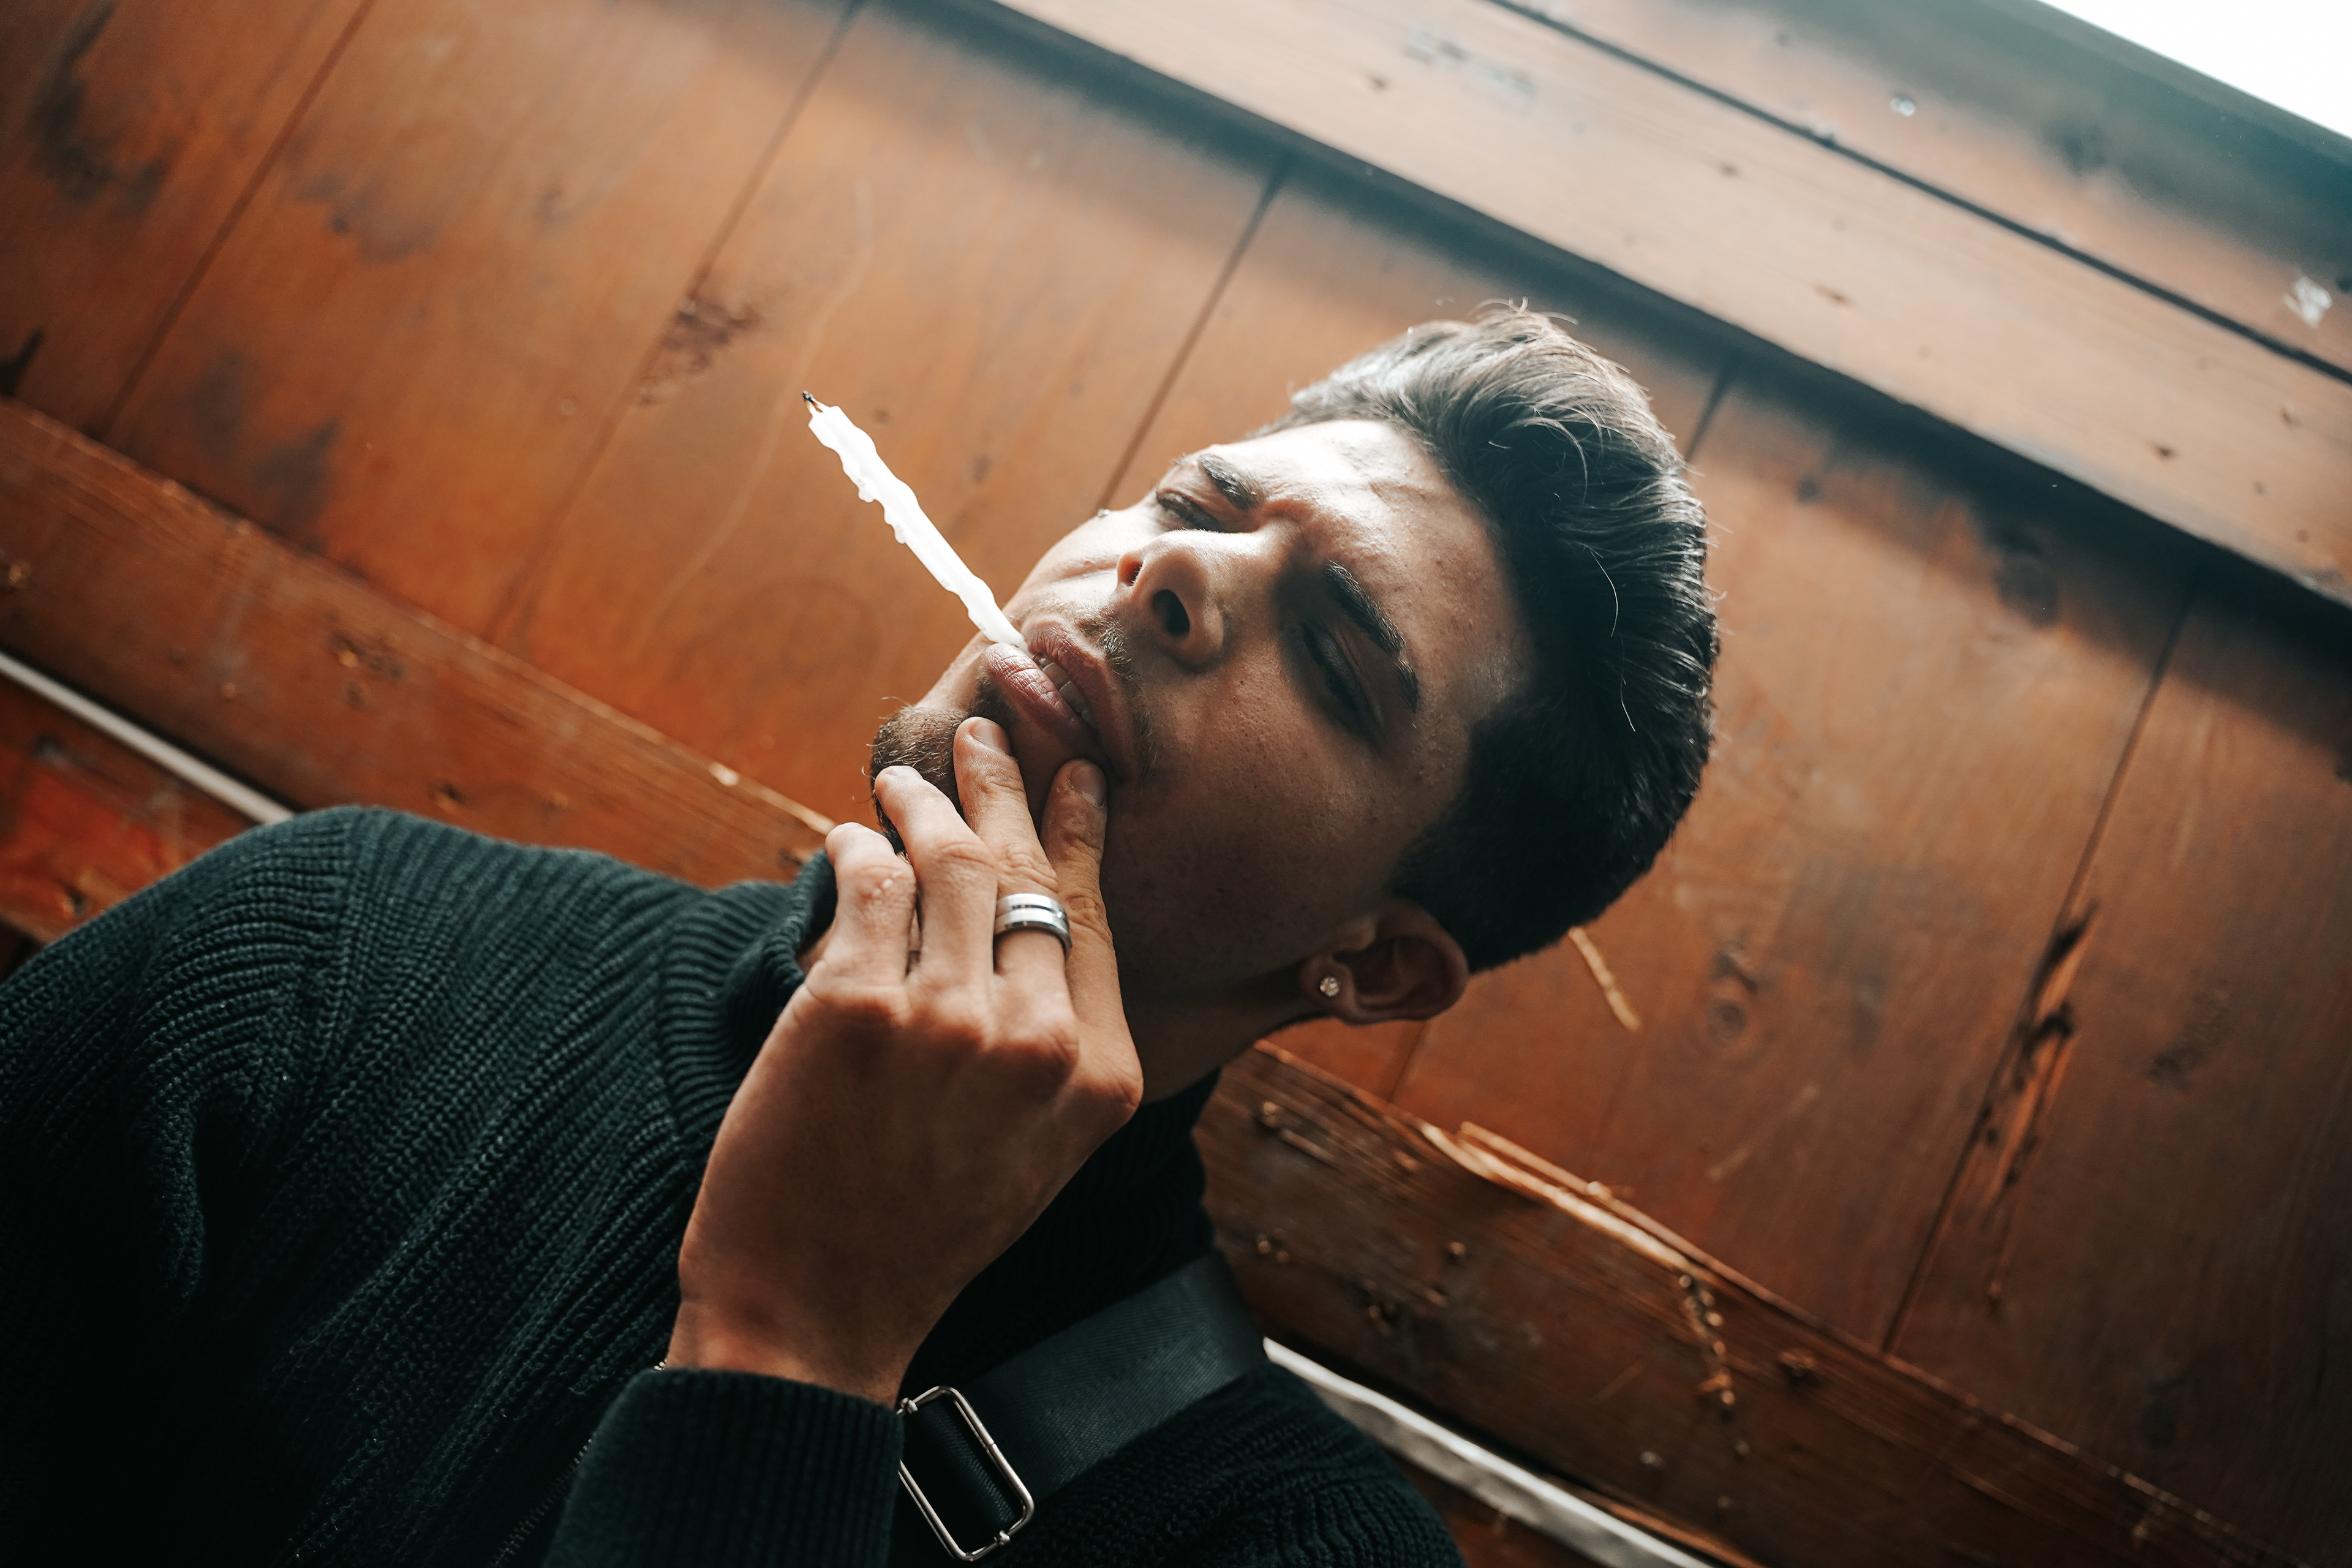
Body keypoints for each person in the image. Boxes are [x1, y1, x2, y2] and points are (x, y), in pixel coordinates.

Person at [0, 307, 1716, 1565]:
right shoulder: (337, 940)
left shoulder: (1284, 1549)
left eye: (1336, 656)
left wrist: (795, 1350)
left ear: (1378, 964)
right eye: (1193, 506)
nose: (1170, 578)